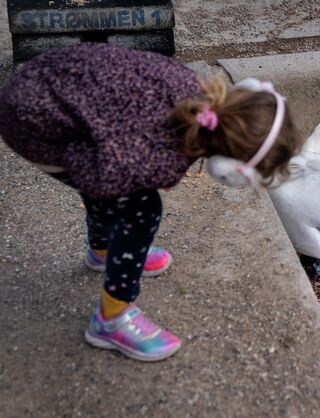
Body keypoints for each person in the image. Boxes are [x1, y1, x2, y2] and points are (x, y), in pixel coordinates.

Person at [0, 42, 302, 362]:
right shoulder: (157, 157)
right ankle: (111, 318)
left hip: (43, 79)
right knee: (140, 210)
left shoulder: (192, 87)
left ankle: (102, 252)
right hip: (32, 126)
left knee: (118, 190)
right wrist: (94, 156)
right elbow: (95, 176)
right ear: (231, 170)